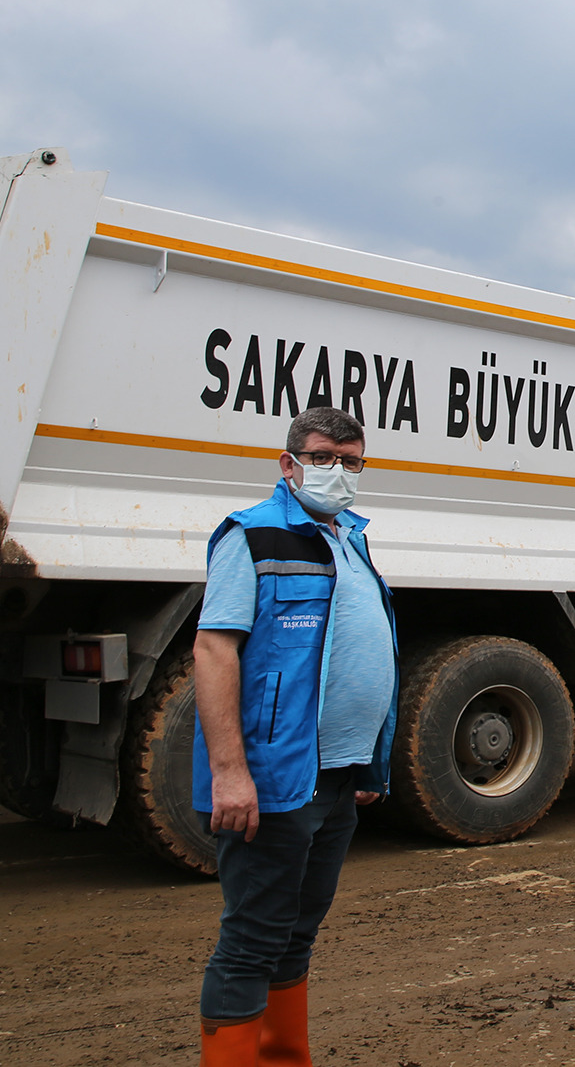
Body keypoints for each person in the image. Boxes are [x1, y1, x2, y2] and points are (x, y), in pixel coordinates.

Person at [192, 407, 399, 1066]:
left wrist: (367, 764)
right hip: (277, 780)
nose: (336, 471)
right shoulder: (251, 536)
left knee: (297, 933)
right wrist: (230, 771)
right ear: (289, 464)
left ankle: (284, 1056)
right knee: (253, 937)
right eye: (322, 456)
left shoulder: (350, 539)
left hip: (336, 778)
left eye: (350, 459)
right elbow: (215, 649)